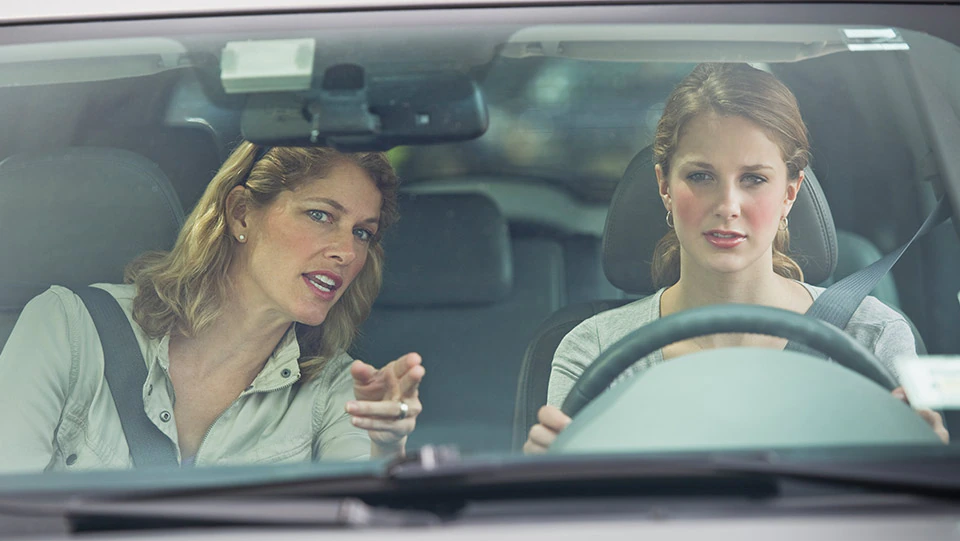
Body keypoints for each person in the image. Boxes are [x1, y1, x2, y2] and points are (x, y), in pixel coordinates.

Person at [523, 63, 949, 454]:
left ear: (790, 192)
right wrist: (543, 482)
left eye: (754, 179)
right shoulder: (595, 348)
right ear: (664, 186)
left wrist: (926, 466)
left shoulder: (872, 335)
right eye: (701, 176)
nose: (728, 204)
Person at [0, 142, 424, 471]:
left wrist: (385, 447)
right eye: (320, 215)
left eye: (363, 233)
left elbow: (362, 520)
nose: (347, 251)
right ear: (241, 214)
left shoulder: (336, 391)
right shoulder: (67, 328)